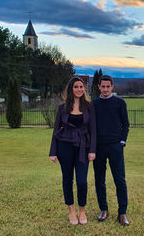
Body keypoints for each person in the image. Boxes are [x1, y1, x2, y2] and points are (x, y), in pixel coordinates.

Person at [49, 76, 96, 225]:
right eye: (76, 87)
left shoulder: (89, 107)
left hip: (83, 147)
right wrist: (53, 151)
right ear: (71, 89)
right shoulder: (62, 108)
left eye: (81, 87)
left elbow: (93, 130)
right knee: (67, 179)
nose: (79, 89)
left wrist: (92, 150)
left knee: (82, 181)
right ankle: (71, 211)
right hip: (65, 147)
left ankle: (82, 210)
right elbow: (56, 130)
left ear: (84, 89)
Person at [92, 75, 130, 226]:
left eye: (108, 87)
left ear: (112, 87)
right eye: (103, 87)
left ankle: (122, 213)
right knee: (99, 180)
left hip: (115, 146)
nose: (106, 89)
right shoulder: (94, 104)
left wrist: (121, 142)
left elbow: (125, 125)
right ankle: (104, 209)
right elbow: (90, 126)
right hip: (98, 147)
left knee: (119, 180)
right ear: (99, 87)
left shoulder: (120, 103)